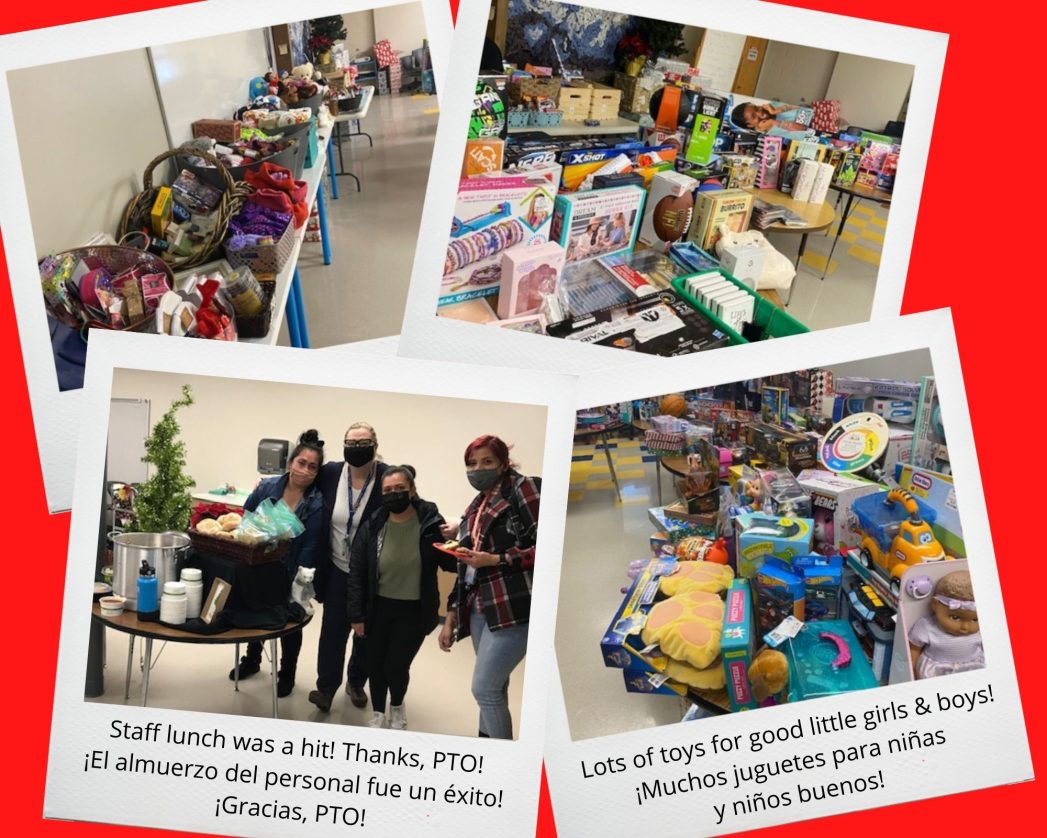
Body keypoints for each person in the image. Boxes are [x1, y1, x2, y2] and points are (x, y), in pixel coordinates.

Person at [438, 435, 540, 739]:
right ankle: (487, 744)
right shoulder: (477, 503)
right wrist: (453, 613)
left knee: (483, 688)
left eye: (487, 462)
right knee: (496, 686)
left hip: (513, 604)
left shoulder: (524, 488)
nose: (478, 469)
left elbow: (545, 546)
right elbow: (467, 563)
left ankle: (504, 759)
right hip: (480, 606)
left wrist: (496, 559)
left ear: (503, 463)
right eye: (472, 463)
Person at [347, 466, 454, 730]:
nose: (393, 495)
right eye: (388, 491)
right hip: (377, 607)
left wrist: (456, 541)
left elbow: (451, 564)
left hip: (414, 609)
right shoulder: (374, 524)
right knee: (375, 664)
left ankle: (397, 707)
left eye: (400, 489)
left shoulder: (429, 523)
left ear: (413, 490)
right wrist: (356, 615)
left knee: (396, 665)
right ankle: (378, 712)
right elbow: (358, 571)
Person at [228, 429, 326, 697]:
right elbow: (246, 514)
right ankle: (252, 659)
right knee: (255, 613)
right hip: (256, 563)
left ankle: (287, 673)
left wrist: (297, 584)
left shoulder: (316, 502)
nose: (305, 470)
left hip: (290, 569)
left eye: (312, 466)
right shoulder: (268, 487)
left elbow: (311, 544)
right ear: (291, 462)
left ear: (317, 472)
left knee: (288, 625)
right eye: (301, 463)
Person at [309, 422, 388, 713]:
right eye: (350, 443)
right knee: (332, 631)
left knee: (365, 632)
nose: (356, 448)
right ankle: (326, 688)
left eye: (363, 442)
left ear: (375, 445)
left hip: (372, 573)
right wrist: (267, 484)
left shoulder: (387, 476)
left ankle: (356, 681)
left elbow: (414, 503)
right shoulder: (331, 472)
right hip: (336, 568)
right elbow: (299, 480)